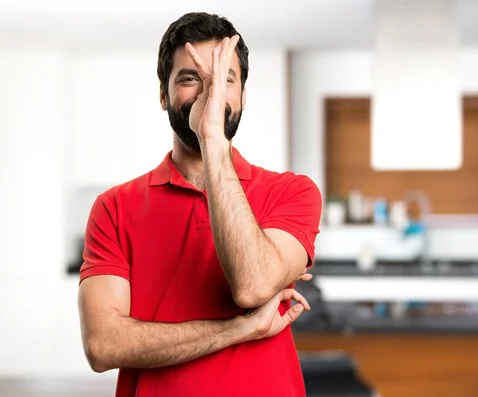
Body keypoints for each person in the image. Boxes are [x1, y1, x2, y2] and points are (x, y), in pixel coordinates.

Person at [77, 11, 323, 397]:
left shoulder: (292, 192)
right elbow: (102, 346)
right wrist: (238, 329)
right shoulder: (114, 207)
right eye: (191, 79)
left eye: (225, 79)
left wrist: (212, 139)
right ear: (163, 95)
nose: (210, 96)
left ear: (242, 95)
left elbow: (252, 285)